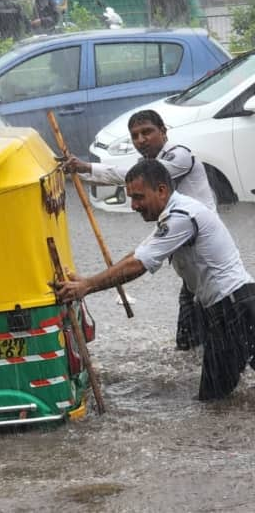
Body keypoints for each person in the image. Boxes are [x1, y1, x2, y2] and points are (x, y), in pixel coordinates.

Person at [55, 160, 255, 401]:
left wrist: (87, 287)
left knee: (212, 402)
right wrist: (87, 280)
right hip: (234, 305)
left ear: (161, 190)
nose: (134, 205)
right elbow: (137, 254)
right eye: (130, 197)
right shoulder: (171, 214)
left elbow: (138, 265)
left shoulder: (182, 217)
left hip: (233, 308)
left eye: (139, 197)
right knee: (220, 396)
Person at [64, 109, 214, 350]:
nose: (141, 140)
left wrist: (86, 167)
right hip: (189, 266)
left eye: (147, 132)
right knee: (187, 347)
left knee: (222, 351)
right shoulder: (147, 168)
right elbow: (139, 254)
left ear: (163, 131)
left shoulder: (180, 156)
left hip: (206, 258)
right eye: (135, 136)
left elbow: (139, 262)